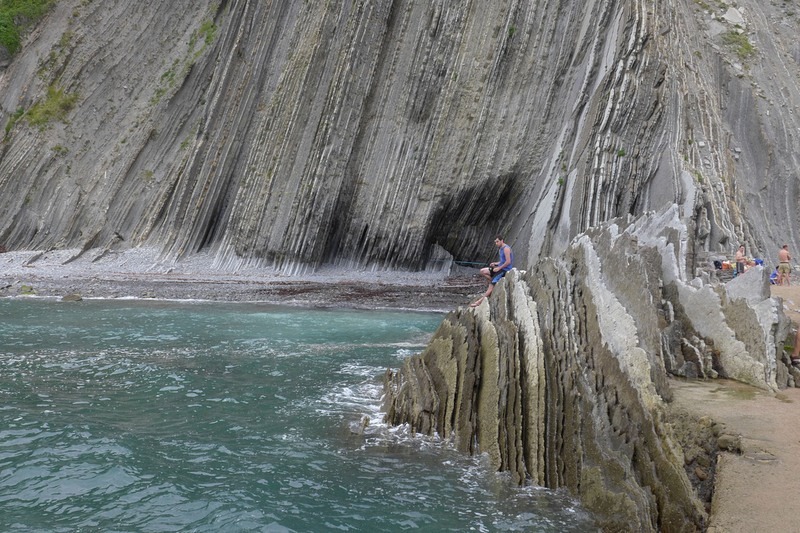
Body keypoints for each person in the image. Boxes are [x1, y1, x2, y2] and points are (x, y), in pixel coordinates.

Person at [470, 235, 513, 307]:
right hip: (499, 267)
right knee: (482, 271)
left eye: (497, 242)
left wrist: (499, 268)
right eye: (495, 242)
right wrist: (496, 263)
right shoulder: (500, 249)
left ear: (502, 240)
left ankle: (479, 302)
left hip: (504, 270)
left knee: (490, 287)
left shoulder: (506, 249)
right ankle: (493, 282)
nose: (496, 243)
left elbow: (508, 262)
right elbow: (502, 261)